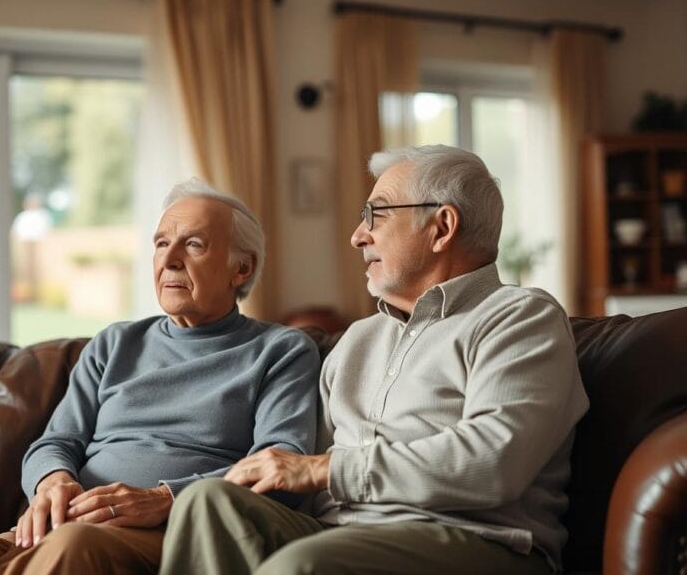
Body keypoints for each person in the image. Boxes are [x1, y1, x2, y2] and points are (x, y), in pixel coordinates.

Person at [160, 145, 589, 575]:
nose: (357, 236)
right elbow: (303, 478)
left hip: (473, 540)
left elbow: (495, 462)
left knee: (302, 564)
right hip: (339, 534)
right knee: (208, 501)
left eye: (376, 215)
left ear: (441, 227)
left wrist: (327, 469)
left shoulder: (519, 317)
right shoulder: (358, 340)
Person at [0, 178, 320, 575]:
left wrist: (163, 498)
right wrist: (54, 481)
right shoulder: (116, 343)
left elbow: (281, 467)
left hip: (155, 539)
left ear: (243, 267)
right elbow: (55, 443)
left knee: (74, 545)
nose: (170, 259)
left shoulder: (279, 351)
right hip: (52, 532)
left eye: (194, 244)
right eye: (162, 243)